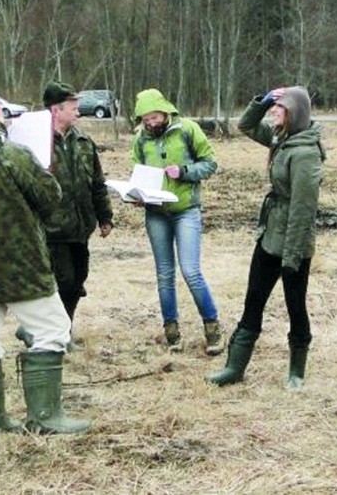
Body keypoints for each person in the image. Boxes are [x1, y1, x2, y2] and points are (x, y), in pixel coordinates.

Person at [0, 86, 90, 437]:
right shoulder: (12, 153)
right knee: (53, 331)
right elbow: (51, 197)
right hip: (22, 263)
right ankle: (45, 416)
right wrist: (43, 168)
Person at [207, 86, 325, 389]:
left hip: (293, 242)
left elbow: (303, 210)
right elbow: (245, 126)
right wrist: (264, 99)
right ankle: (235, 367)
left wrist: (293, 255)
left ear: (295, 113)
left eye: (281, 107)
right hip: (269, 234)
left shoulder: (306, 153)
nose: (275, 112)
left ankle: (296, 372)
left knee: (294, 305)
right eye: (276, 107)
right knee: (253, 300)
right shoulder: (280, 138)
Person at [132, 88, 223, 355]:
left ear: (165, 111)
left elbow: (210, 163)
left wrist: (184, 172)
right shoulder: (140, 140)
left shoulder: (187, 130)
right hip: (156, 214)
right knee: (164, 275)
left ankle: (213, 328)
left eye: (154, 118)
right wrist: (136, 194)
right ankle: (172, 333)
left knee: (191, 272)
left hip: (186, 212)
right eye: (145, 120)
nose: (150, 124)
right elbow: (137, 170)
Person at [40, 80, 114, 349]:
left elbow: (97, 183)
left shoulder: (84, 142)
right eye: (73, 106)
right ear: (55, 110)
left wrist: (104, 217)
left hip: (80, 227)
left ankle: (64, 330)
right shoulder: (37, 144)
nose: (78, 111)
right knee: (64, 281)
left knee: (77, 280)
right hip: (52, 230)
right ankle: (56, 335)